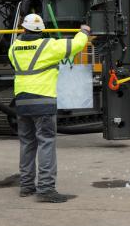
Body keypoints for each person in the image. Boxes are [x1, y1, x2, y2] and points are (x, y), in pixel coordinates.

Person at [8, 14, 90, 203]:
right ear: (42, 30)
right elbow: (76, 45)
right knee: (46, 143)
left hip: (21, 103)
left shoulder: (13, 49)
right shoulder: (49, 46)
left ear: (23, 29)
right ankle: (45, 189)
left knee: (27, 143)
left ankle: (27, 186)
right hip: (43, 102)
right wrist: (84, 31)